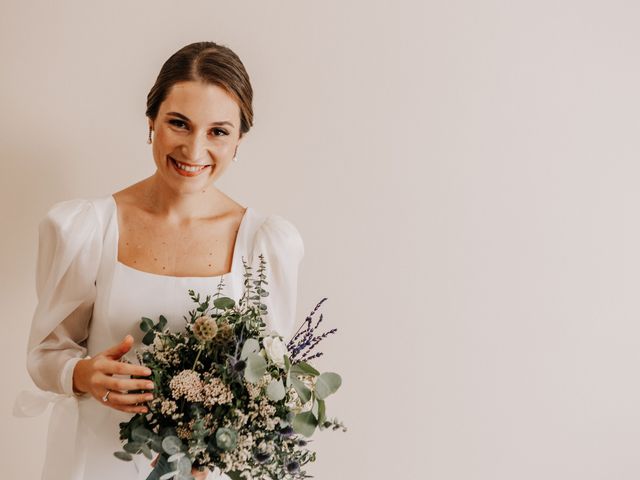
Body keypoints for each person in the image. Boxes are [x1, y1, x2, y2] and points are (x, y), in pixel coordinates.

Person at [13, 41, 305, 480]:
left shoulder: (265, 245)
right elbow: (46, 353)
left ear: (239, 139)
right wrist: (82, 373)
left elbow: (270, 382)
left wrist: (222, 450)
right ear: (152, 122)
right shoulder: (88, 228)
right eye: (179, 124)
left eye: (218, 132)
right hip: (95, 462)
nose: (194, 149)